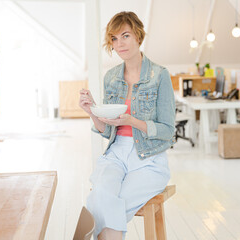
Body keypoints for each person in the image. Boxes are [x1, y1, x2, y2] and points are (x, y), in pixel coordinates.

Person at [79, 11, 176, 240]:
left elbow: (168, 132)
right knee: (102, 192)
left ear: (138, 37)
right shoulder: (111, 77)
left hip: (149, 159)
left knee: (107, 202)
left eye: (125, 36)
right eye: (114, 38)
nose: (119, 43)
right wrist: (92, 112)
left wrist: (133, 122)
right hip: (116, 154)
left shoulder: (159, 75)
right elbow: (108, 130)